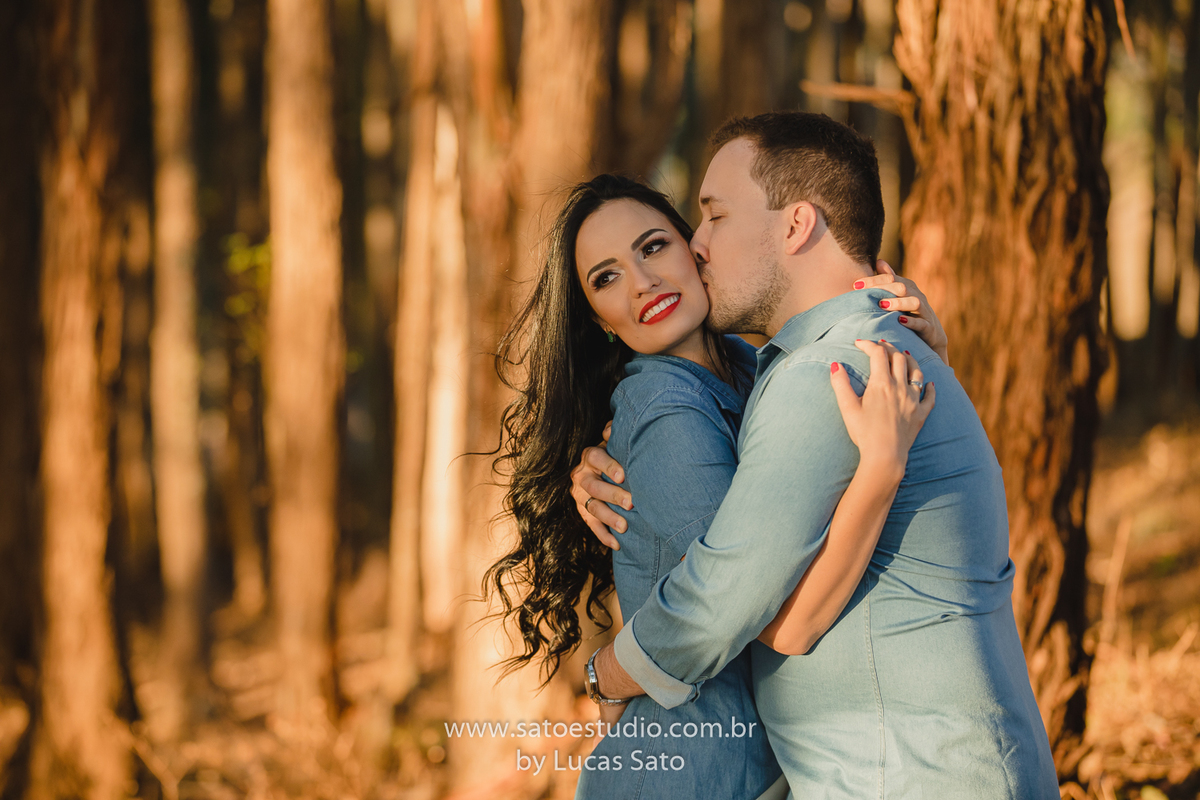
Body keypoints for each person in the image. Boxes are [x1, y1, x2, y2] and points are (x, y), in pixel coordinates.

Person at [573, 112, 1060, 798]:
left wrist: (603, 673)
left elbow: (748, 612)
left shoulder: (824, 374)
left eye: (712, 217)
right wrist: (605, 454)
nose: (698, 245)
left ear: (797, 225)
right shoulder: (862, 349)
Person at [485, 173, 942, 800]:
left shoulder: (754, 369)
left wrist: (927, 344)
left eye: (652, 247)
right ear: (600, 321)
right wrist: (606, 676)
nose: (642, 282)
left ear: (695, 250)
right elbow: (751, 614)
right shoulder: (663, 409)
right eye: (607, 277)